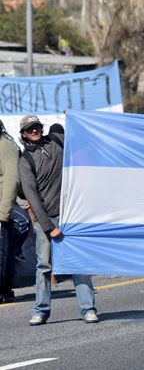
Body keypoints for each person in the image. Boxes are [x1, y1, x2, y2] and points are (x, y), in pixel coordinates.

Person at [18, 116, 99, 325]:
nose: (34, 131)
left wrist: (76, 118)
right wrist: (49, 227)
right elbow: (32, 196)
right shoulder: (25, 160)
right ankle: (41, 310)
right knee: (44, 266)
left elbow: (77, 136)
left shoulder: (56, 141)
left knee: (77, 262)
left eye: (36, 127)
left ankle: (88, 308)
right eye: (29, 129)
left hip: (69, 215)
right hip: (45, 220)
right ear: (24, 134)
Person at [0, 120, 19, 304]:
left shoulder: (5, 145)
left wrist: (3, 212)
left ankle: (3, 290)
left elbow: (12, 179)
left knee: (2, 256)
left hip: (1, 210)